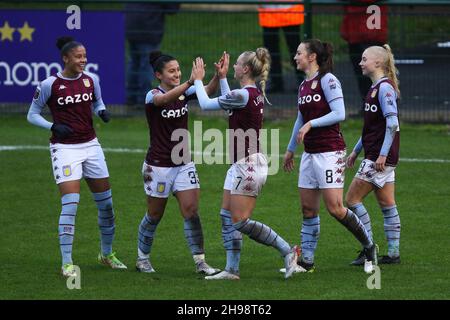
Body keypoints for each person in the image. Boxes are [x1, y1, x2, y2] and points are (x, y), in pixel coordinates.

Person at [191, 49, 300, 280]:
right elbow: (231, 105)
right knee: (225, 215)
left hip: (248, 165)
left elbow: (204, 104)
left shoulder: (243, 95)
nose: (233, 68)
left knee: (239, 221)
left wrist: (199, 80)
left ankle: (288, 251)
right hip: (240, 163)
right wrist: (221, 78)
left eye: (236, 65)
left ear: (246, 69)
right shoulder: (248, 94)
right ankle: (232, 270)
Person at [27, 36, 127, 277]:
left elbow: (98, 101)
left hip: (91, 146)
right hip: (64, 149)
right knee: (70, 205)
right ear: (66, 58)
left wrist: (101, 111)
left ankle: (106, 254)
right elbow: (32, 114)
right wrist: (52, 126)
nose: (83, 60)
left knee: (106, 205)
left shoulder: (91, 80)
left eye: (85, 56)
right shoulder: (49, 84)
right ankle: (67, 263)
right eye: (78, 56)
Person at [283, 39, 377, 274]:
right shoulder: (304, 84)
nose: (295, 57)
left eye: (298, 53)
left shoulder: (328, 80)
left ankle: (369, 246)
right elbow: (300, 119)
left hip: (330, 151)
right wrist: (290, 149)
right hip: (309, 153)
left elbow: (339, 113)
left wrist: (312, 123)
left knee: (335, 207)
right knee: (308, 209)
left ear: (312, 56)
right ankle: (307, 261)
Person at [135, 50, 221, 276]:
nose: (176, 74)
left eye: (178, 70)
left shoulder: (184, 93)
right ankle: (142, 258)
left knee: (191, 211)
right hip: (158, 166)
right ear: (158, 75)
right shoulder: (151, 95)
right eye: (171, 71)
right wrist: (190, 81)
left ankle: (200, 261)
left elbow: (207, 92)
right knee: (154, 215)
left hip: (184, 163)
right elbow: (164, 99)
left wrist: (216, 76)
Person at [345, 44, 401, 266]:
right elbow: (371, 128)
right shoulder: (375, 88)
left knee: (351, 200)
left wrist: (381, 155)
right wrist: (356, 151)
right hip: (377, 155)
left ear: (377, 63)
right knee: (387, 203)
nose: (360, 62)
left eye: (364, 59)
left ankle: (369, 250)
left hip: (379, 158)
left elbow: (392, 123)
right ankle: (393, 253)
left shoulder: (384, 89)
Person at [125, 3, 180, 105]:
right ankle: (144, 100)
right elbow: (172, 9)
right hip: (148, 29)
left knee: (134, 63)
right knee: (146, 66)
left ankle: (131, 97)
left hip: (131, 25)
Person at [340, 0, 388, 102]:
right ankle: (369, 105)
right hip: (359, 31)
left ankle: (375, 106)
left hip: (368, 31)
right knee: (364, 73)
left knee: (372, 73)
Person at [258, 1, 304, 92]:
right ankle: (277, 81)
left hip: (290, 10)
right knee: (272, 50)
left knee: (294, 48)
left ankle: (302, 80)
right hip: (271, 12)